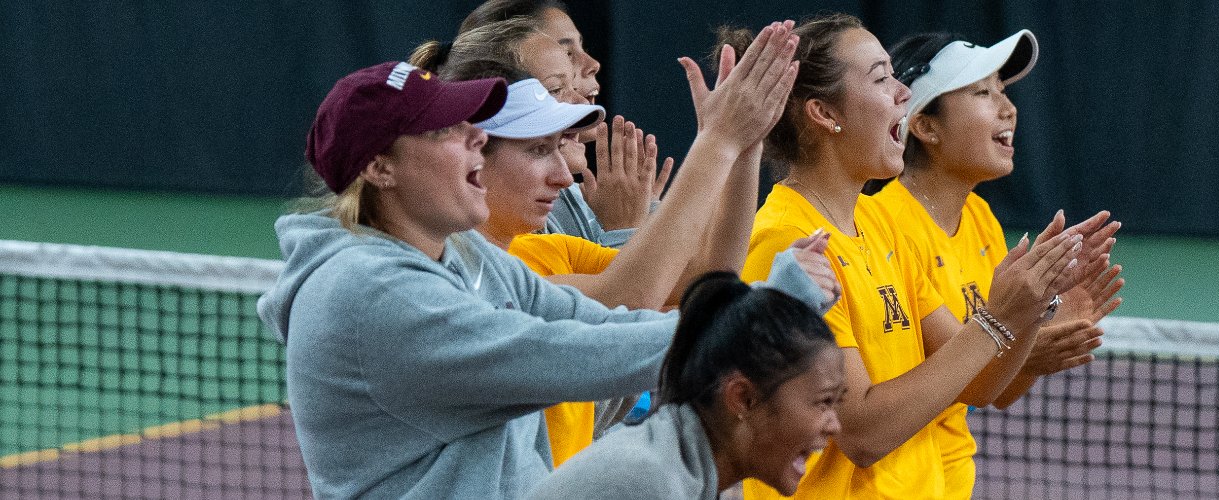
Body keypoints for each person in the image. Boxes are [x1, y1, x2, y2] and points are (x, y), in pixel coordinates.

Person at [257, 58, 830, 499]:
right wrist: (765, 309)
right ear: (381, 167)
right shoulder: (369, 293)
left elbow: (609, 324)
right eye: (445, 130)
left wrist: (754, 313)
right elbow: (573, 355)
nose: (475, 135)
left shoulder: (466, 256)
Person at [730, 14, 1115, 499]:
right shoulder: (785, 243)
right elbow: (862, 434)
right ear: (825, 114)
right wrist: (999, 319)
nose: (902, 94)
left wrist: (1032, 305)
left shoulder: (881, 226)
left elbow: (980, 385)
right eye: (881, 79)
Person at [408, 18, 808, 466]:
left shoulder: (546, 252)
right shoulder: (454, 278)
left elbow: (708, 279)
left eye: (558, 143)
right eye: (538, 148)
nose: (564, 175)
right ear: (472, 151)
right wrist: (718, 142)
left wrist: (744, 145)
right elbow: (629, 298)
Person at [870, 29, 1125, 498]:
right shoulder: (882, 226)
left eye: (1003, 91)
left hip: (948, 484)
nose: (1009, 108)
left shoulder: (980, 220)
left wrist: (1041, 320)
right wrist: (1030, 330)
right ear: (925, 126)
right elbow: (977, 384)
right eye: (982, 93)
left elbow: (1000, 391)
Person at [527, 272, 846, 500]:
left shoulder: (685, 465)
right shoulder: (650, 480)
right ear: (743, 398)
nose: (834, 425)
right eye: (823, 402)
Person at [460, 0, 653, 247]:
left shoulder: (574, 201)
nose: (594, 64)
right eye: (556, 88)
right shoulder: (477, 240)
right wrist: (623, 228)